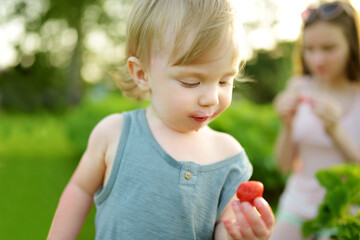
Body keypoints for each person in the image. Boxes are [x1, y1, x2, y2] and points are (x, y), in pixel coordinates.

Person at [47, 0, 275, 239]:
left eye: (224, 81)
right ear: (142, 74)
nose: (211, 98)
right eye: (191, 82)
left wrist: (242, 233)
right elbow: (80, 189)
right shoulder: (115, 133)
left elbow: (226, 229)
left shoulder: (227, 157)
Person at [271, 1, 360, 240]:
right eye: (310, 49)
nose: (317, 59)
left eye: (329, 48)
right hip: (297, 201)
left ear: (351, 45)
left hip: (345, 207)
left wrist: (334, 130)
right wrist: (287, 124)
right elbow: (282, 165)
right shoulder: (298, 87)